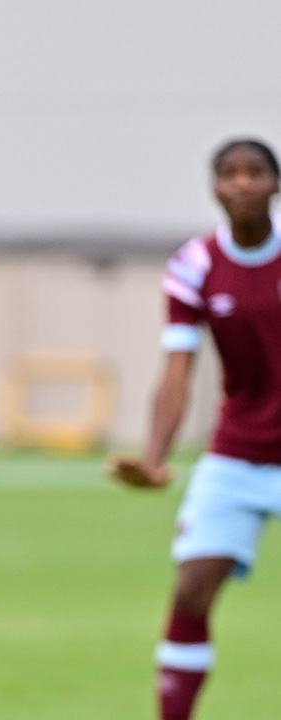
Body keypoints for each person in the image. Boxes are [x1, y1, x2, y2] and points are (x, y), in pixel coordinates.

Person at [109, 138, 281, 720]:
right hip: (237, 454)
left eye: (255, 172)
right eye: (229, 173)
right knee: (189, 590)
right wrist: (154, 458)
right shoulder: (195, 265)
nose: (242, 183)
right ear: (214, 188)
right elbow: (176, 372)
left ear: (275, 185)